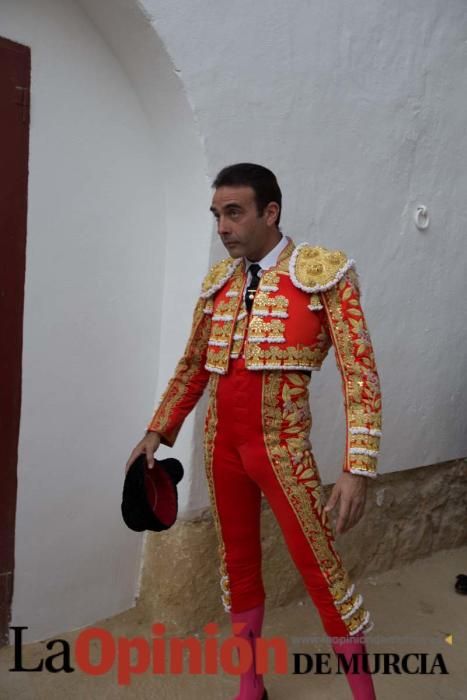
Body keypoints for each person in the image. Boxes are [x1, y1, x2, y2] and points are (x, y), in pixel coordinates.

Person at [126, 163, 382, 700]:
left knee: (321, 569)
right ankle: (251, 685)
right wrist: (157, 430)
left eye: (234, 212)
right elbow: (193, 364)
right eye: (217, 214)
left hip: (282, 449)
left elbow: (359, 374)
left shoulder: (322, 273)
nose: (222, 226)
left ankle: (364, 694)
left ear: (271, 212)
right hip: (222, 448)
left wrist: (357, 468)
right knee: (237, 565)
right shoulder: (219, 283)